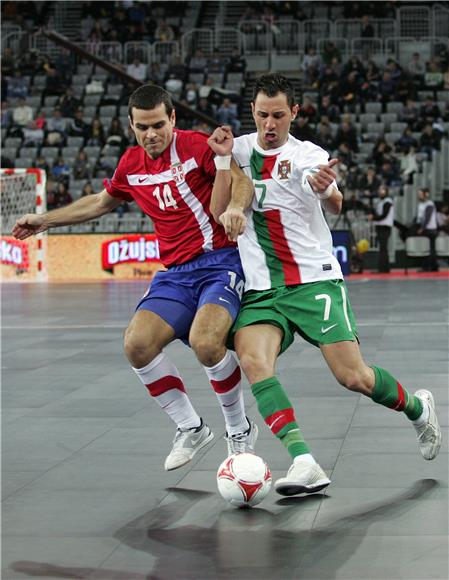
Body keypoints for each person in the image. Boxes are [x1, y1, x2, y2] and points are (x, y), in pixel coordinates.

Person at [208, 73, 442, 497]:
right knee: (254, 362)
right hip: (262, 290)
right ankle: (303, 461)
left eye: (279, 115)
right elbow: (218, 208)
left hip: (313, 282)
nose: (270, 124)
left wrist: (325, 189)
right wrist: (223, 161)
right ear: (253, 113)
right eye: (262, 115)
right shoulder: (238, 149)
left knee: (353, 377)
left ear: (294, 112)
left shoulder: (307, 154)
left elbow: (335, 200)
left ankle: (417, 408)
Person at [12, 84, 257, 471]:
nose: (151, 134)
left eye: (158, 124)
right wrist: (45, 220)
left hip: (220, 262)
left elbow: (241, 181)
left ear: (172, 119)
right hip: (175, 274)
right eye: (142, 127)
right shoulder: (130, 164)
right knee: (137, 344)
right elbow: (100, 202)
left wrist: (237, 209)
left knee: (206, 343)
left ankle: (238, 429)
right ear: (131, 125)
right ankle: (191, 428)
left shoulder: (196, 147)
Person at [368, 185, 394, 273]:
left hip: (384, 227)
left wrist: (373, 218)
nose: (380, 192)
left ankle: (383, 269)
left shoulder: (387, 202)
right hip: (380, 226)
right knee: (383, 248)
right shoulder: (381, 202)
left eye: (382, 190)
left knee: (383, 248)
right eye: (379, 190)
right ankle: (385, 268)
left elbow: (383, 215)